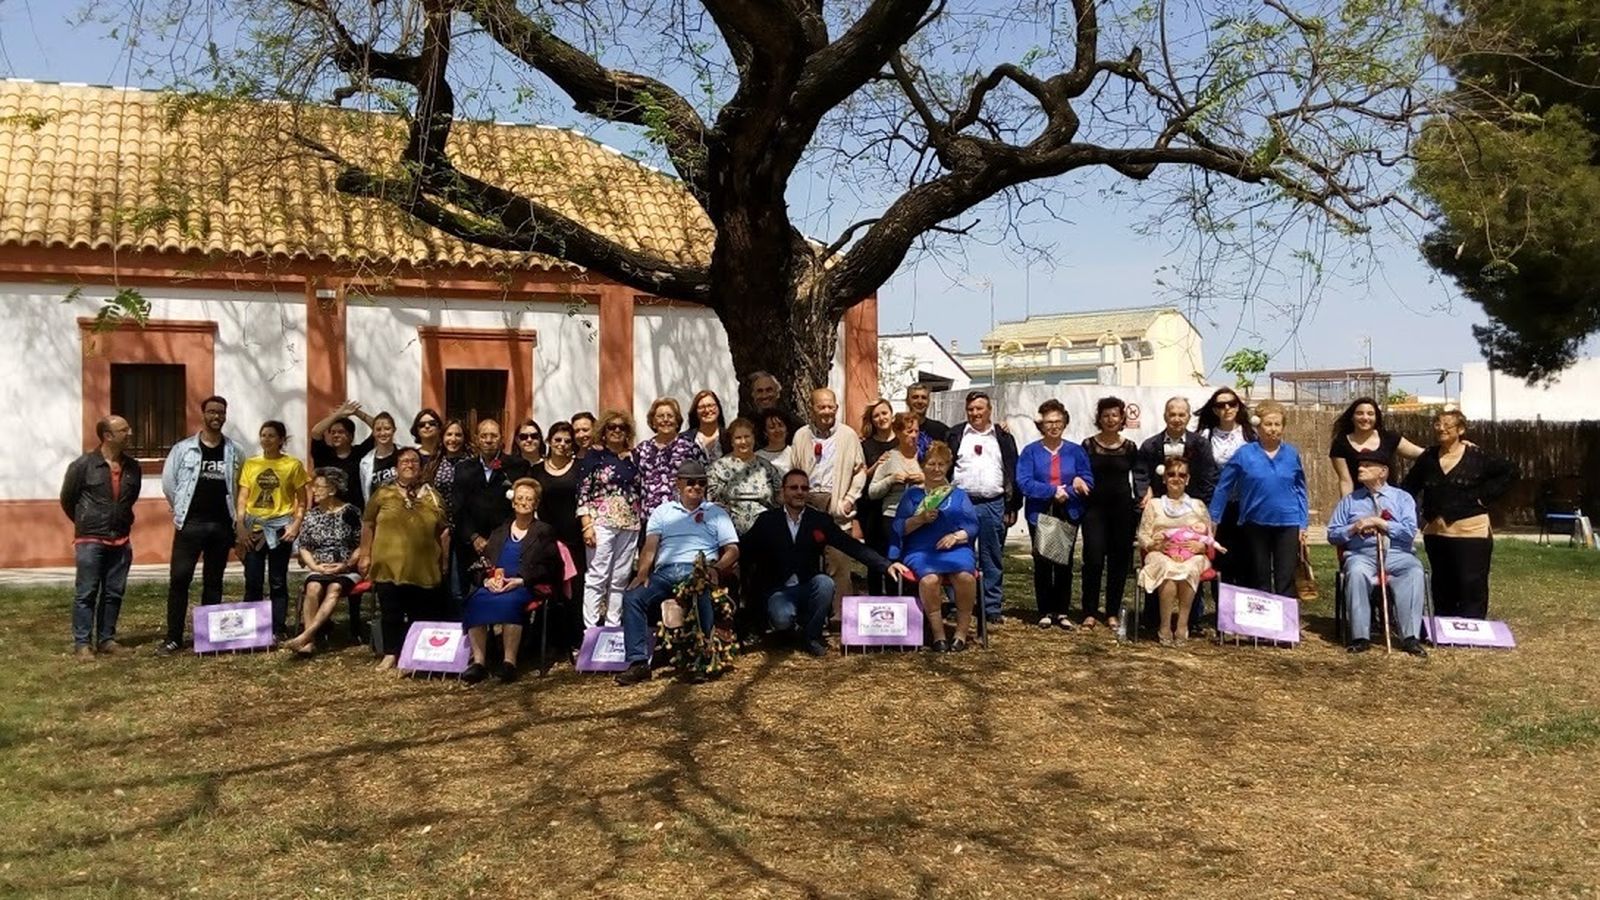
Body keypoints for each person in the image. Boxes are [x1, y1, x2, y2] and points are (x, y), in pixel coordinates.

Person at [743, 469, 911, 655]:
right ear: (783, 491)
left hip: (808, 585)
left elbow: (850, 545)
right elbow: (745, 550)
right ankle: (787, 631)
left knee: (825, 583)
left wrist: (886, 565)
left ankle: (812, 637)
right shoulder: (767, 520)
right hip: (779, 591)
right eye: (794, 488)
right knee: (782, 618)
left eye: (804, 488)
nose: (799, 492)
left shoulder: (819, 520)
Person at [614, 460, 740, 685]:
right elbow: (650, 545)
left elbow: (732, 549)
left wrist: (715, 569)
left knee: (700, 591)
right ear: (678, 484)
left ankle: (701, 658)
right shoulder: (662, 511)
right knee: (633, 597)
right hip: (666, 571)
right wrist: (642, 573)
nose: (696, 487)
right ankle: (638, 662)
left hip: (699, 569)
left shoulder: (716, 512)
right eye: (690, 482)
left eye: (701, 482)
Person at [1401, 410, 1515, 619]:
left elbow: (1510, 471)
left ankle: (1472, 627)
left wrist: (1484, 497)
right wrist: (1417, 515)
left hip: (1471, 530)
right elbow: (1409, 487)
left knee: (1471, 582)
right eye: (1437, 424)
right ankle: (1445, 627)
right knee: (1442, 582)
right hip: (1436, 531)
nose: (1441, 428)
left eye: (1447, 425)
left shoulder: (1477, 456)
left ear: (1460, 429)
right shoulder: (1428, 457)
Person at [159, 395, 244, 655]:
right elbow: (169, 483)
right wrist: (181, 508)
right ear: (203, 414)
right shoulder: (183, 449)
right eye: (212, 412)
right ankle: (173, 637)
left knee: (213, 581)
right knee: (180, 579)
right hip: (190, 525)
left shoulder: (235, 451)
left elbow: (241, 486)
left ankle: (207, 638)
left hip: (221, 527)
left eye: (221, 412)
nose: (216, 416)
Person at [462, 477, 563, 684]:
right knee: (476, 601)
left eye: (529, 499)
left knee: (510, 602)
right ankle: (479, 663)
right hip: (496, 584)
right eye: (520, 498)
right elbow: (482, 564)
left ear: (536, 504)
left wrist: (520, 580)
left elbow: (551, 567)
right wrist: (486, 581)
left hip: (524, 585)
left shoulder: (543, 531)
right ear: (513, 502)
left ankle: (509, 662)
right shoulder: (499, 532)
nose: (524, 502)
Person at [358, 447, 450, 669]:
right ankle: (391, 653)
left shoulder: (432, 496)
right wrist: (364, 555)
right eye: (405, 461)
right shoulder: (382, 494)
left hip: (423, 566)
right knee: (391, 612)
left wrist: (444, 562)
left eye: (414, 461)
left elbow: (444, 531)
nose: (409, 464)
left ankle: (414, 654)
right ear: (397, 467)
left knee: (420, 612)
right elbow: (368, 524)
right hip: (388, 564)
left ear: (421, 467)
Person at [1329, 451, 1428, 656]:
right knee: (1356, 572)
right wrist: (1354, 528)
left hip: (1397, 554)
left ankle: (1410, 637)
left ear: (1383, 472)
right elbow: (1332, 534)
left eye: (1366, 465)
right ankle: (1360, 637)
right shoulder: (1350, 501)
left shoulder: (1402, 498)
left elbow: (1409, 531)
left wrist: (1380, 523)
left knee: (1414, 570)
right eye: (1359, 465)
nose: (1360, 469)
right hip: (1362, 555)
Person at [59, 415, 140, 659]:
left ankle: (107, 639)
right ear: (108, 435)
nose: (130, 433)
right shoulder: (83, 465)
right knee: (87, 592)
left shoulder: (133, 467)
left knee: (114, 591)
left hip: (121, 538)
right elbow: (67, 499)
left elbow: (130, 498)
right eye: (123, 430)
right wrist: (87, 522)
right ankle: (82, 643)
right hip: (91, 539)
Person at [1210, 400, 1307, 597]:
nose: (1273, 429)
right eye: (1268, 424)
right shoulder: (1245, 453)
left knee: (1285, 578)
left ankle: (1286, 626)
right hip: (1255, 523)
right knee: (1259, 577)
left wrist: (1303, 524)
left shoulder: (1292, 454)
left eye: (1277, 424)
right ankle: (1262, 625)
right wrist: (1214, 518)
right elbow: (1224, 487)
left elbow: (1300, 489)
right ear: (1258, 426)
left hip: (1288, 522)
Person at [890, 442, 980, 651]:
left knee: (965, 577)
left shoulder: (958, 495)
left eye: (942, 464)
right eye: (931, 464)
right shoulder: (912, 496)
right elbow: (898, 527)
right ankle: (938, 635)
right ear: (922, 466)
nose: (937, 469)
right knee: (930, 580)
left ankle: (960, 634)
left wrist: (957, 537)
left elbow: (973, 525)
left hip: (955, 549)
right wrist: (919, 519)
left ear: (948, 466)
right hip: (921, 550)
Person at [788, 387, 867, 617]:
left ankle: (841, 619)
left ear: (837, 408)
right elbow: (794, 470)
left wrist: (850, 498)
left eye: (830, 406)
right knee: (805, 564)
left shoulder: (848, 435)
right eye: (821, 406)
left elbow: (860, 470)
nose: (826, 411)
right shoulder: (801, 435)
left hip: (837, 506)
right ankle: (808, 616)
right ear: (812, 409)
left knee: (840, 565)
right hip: (808, 506)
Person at [1016, 399, 1093, 629]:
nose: (1053, 426)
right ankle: (1044, 611)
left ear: (1065, 422)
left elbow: (1088, 480)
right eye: (1049, 422)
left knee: (1064, 563)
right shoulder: (1030, 451)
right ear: (1041, 425)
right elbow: (1024, 482)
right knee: (1042, 562)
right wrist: (1051, 491)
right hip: (1041, 512)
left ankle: (1062, 611)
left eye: (1058, 421)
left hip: (1068, 510)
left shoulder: (1076, 451)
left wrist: (1069, 490)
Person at [946, 390, 1021, 624]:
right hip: (961, 503)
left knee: (992, 557)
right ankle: (959, 603)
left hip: (993, 504)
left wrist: (1013, 506)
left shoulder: (1003, 436)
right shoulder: (956, 434)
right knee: (958, 555)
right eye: (971, 409)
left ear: (989, 410)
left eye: (979, 408)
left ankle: (991, 608)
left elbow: (1012, 469)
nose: (975, 413)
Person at [1136, 458, 1222, 645]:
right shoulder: (1154, 504)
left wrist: (1203, 547)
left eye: (1182, 474)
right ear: (1164, 478)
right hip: (1160, 553)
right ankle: (1165, 626)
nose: (1176, 478)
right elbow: (1142, 534)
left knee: (1189, 569)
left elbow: (1209, 534)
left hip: (1193, 555)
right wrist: (1153, 546)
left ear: (1188, 479)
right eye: (1171, 474)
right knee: (1167, 569)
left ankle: (1182, 624)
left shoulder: (1198, 505)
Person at [236, 420, 308, 638]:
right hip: (254, 528)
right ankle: (252, 629)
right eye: (263, 435)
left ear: (281, 440)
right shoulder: (251, 464)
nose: (266, 439)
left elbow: (302, 500)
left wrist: (296, 524)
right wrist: (240, 526)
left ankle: (277, 627)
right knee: (253, 579)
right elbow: (242, 497)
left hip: (280, 529)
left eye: (271, 436)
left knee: (277, 580)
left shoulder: (293, 465)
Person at [284, 468, 363, 655]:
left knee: (334, 588)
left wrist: (346, 565)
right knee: (313, 588)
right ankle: (310, 642)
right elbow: (304, 546)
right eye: (314, 487)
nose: (315, 491)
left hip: (345, 568)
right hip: (319, 566)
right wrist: (314, 566)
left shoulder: (351, 512)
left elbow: (361, 545)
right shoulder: (311, 515)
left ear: (333, 490)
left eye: (319, 487)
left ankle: (305, 635)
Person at [577, 409, 643, 628]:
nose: (616, 431)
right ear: (603, 431)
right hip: (601, 522)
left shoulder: (634, 457)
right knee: (597, 577)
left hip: (629, 523)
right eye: (611, 427)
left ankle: (613, 626)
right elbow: (583, 491)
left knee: (620, 579)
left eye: (621, 427)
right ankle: (591, 630)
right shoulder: (594, 456)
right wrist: (586, 524)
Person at [1080, 397, 1139, 632]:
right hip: (1094, 510)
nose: (1110, 419)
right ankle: (1089, 612)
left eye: (1115, 415)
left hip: (1123, 511)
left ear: (1122, 418)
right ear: (1099, 418)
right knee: (1093, 560)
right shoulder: (1088, 445)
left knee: (1119, 563)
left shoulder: (1130, 447)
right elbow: (1080, 471)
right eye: (1106, 415)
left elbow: (1140, 477)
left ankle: (1112, 612)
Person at [452, 418, 531, 592]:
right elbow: (458, 508)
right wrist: (474, 537)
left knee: (503, 589)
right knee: (466, 593)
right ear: (476, 439)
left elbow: (520, 504)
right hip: (470, 543)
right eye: (484, 436)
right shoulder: (463, 469)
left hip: (505, 540)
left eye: (493, 436)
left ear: (501, 439)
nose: (488, 440)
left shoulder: (517, 466)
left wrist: (498, 538)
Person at [532, 421, 586, 643]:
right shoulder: (535, 470)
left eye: (567, 441)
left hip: (575, 539)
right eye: (557, 440)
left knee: (576, 589)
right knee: (548, 589)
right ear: (548, 441)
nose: (562, 445)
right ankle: (550, 640)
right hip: (546, 539)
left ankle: (575, 637)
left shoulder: (580, 468)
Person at [1196, 387, 1256, 585]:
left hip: (1247, 504)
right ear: (1214, 410)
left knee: (1248, 556)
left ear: (1238, 407)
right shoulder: (1206, 436)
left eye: (1232, 403)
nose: (1227, 408)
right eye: (1221, 405)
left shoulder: (1250, 434)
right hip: (1217, 504)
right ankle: (1224, 608)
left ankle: (1248, 606)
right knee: (1222, 556)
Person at [1329, 397, 1425, 496]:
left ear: (1376, 417)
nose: (1365, 418)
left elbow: (1421, 454)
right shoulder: (1341, 444)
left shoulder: (1389, 438)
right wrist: (1347, 506)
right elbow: (1345, 480)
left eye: (1370, 414)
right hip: (1359, 502)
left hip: (1389, 501)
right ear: (1352, 417)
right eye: (1359, 413)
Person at [1132, 396, 1216, 508]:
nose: (1177, 419)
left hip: (1191, 507)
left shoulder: (1201, 445)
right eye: (1172, 414)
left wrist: (1201, 506)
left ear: (1188, 418)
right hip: (1157, 508)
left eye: (1181, 415)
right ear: (1165, 417)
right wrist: (1145, 491)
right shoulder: (1149, 446)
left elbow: (1208, 478)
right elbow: (1140, 474)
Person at [707, 417, 783, 535]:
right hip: (731, 534)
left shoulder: (766, 467)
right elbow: (711, 502)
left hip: (766, 532)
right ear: (731, 441)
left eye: (747, 437)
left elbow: (780, 498)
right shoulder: (719, 467)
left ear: (753, 438)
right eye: (738, 438)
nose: (743, 441)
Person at [635, 397, 706, 522]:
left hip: (683, 517)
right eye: (660, 416)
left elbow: (704, 479)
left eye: (670, 416)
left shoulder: (690, 448)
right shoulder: (642, 449)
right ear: (653, 422)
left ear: (677, 421)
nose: (666, 420)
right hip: (650, 520)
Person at [867, 413, 924, 560]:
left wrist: (924, 480)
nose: (913, 435)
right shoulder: (890, 457)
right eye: (909, 431)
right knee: (896, 561)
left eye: (916, 431)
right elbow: (872, 492)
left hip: (921, 517)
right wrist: (891, 480)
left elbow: (942, 485)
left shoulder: (925, 456)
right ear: (898, 433)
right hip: (893, 516)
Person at [858, 399, 898, 594]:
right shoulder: (865, 445)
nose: (881, 418)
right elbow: (859, 476)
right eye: (876, 416)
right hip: (871, 507)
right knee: (874, 555)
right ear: (871, 421)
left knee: (894, 554)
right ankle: (874, 599)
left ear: (891, 414)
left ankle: (895, 598)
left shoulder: (902, 441)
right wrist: (877, 466)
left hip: (898, 507)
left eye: (884, 413)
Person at [310, 400, 376, 510]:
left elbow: (378, 428)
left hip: (353, 512)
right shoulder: (323, 453)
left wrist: (357, 413)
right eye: (333, 432)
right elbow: (316, 432)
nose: (336, 435)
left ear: (351, 436)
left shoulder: (360, 452)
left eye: (341, 432)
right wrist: (338, 414)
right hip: (324, 512)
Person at [685, 389, 732, 463]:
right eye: (701, 407)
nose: (707, 410)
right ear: (695, 412)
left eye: (710, 406)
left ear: (718, 408)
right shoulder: (685, 439)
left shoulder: (729, 437)